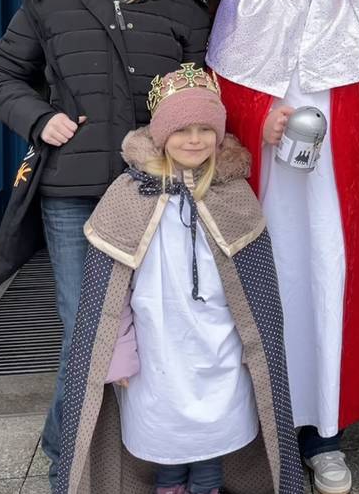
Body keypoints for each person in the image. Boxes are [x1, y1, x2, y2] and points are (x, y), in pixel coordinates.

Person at [0, 0, 210, 488]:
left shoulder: (186, 4)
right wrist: (39, 118)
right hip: (74, 193)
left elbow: (202, 94)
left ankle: (147, 446)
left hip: (156, 190)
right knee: (90, 325)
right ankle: (70, 454)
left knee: (157, 325)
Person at [206, 0, 359, 494]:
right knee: (272, 286)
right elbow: (223, 85)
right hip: (268, 181)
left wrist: (341, 131)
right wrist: (258, 116)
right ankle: (268, 427)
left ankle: (326, 438)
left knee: (328, 289)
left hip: (339, 185)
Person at [53, 64, 303, 494]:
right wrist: (120, 350)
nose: (193, 139)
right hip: (156, 350)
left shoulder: (233, 193)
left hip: (219, 347)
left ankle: (205, 486)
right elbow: (109, 294)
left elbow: (260, 292)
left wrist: (252, 346)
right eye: (182, 128)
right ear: (160, 133)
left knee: (214, 433)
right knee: (164, 435)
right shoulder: (129, 194)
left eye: (206, 129)